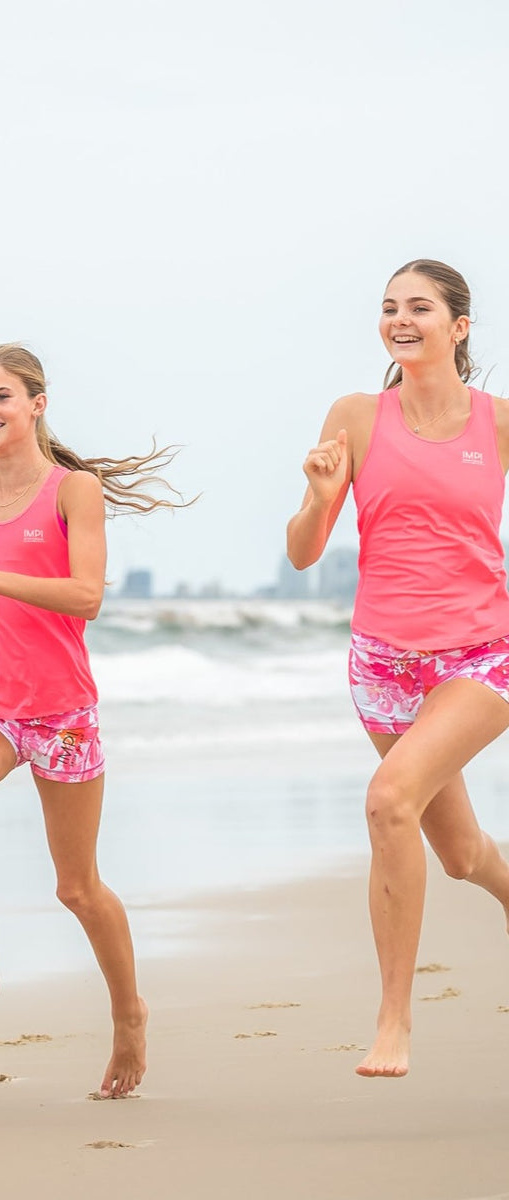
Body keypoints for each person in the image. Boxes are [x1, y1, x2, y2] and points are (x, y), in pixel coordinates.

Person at [0, 343, 178, 1099]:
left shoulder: (76, 492)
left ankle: (129, 1014)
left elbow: (86, 595)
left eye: (1, 396)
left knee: (77, 887)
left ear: (37, 403)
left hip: (61, 710)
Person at [288, 259, 509, 1079]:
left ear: (460, 326)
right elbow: (305, 551)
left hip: (483, 656)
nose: (400, 319)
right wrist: (317, 497)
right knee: (456, 852)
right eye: (389, 308)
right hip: (382, 662)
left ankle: (393, 1019)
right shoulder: (357, 416)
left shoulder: (499, 423)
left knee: (388, 804)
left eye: (420, 307)